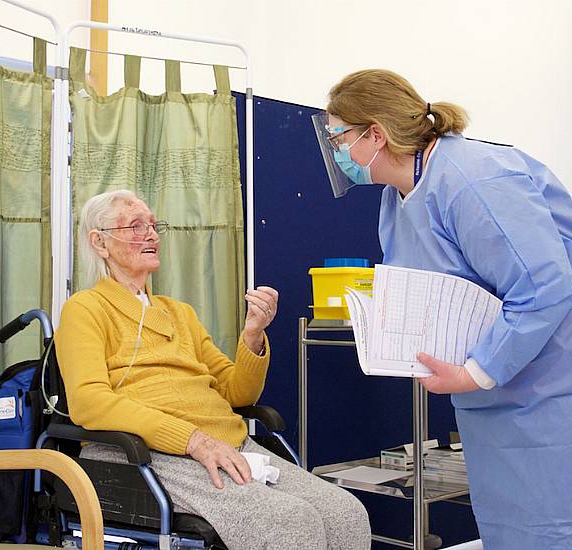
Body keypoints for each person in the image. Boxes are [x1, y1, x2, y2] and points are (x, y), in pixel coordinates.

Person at [313, 69, 572, 549]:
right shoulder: (399, 198)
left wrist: (477, 371)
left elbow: (544, 285)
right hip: (505, 379)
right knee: (517, 519)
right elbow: (429, 287)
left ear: (376, 133)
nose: (335, 151)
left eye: (339, 137)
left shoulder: (474, 178)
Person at [55, 190, 371, 550]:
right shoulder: (86, 309)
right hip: (147, 452)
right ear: (100, 242)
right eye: (136, 226)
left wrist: (252, 335)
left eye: (154, 226)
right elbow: (88, 402)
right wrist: (192, 439)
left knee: (346, 512)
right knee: (288, 521)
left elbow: (237, 393)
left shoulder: (179, 313)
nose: (152, 235)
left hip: (225, 443)